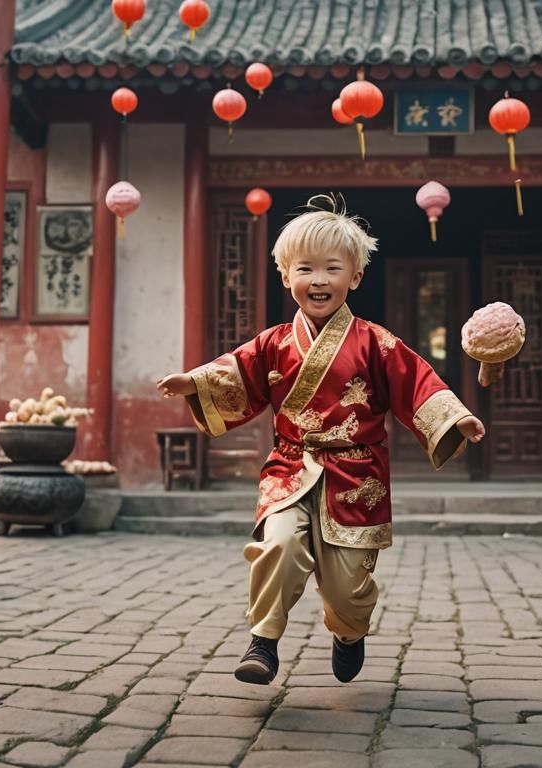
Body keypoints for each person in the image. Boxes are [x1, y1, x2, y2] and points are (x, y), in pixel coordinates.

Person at [156, 194, 485, 685]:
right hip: (291, 466)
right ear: (287, 277)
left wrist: (453, 417)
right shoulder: (273, 343)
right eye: (305, 268)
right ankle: (263, 641)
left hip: (357, 476)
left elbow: (417, 382)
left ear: (354, 277)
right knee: (279, 545)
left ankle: (349, 633)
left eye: (332, 268)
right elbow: (236, 372)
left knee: (347, 587)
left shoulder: (376, 342)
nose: (319, 280)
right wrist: (196, 382)